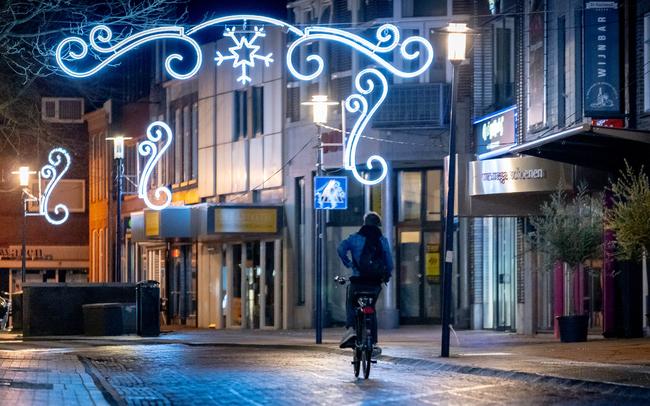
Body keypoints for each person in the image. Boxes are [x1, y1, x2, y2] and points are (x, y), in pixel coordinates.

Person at [336, 211, 393, 353]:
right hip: (374, 283)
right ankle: (372, 343)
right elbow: (390, 262)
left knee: (351, 302)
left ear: (364, 223)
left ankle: (352, 329)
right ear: (378, 225)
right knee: (371, 308)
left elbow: (340, 248)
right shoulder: (382, 240)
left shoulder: (355, 239)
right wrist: (386, 274)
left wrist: (348, 263)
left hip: (358, 281)